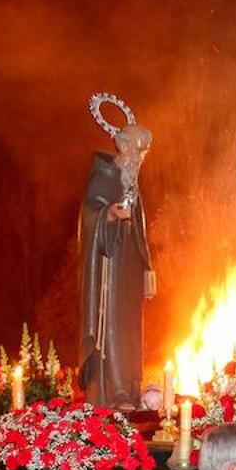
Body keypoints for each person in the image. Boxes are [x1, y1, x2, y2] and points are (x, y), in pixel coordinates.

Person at [77, 111, 156, 409]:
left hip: (129, 269)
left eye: (145, 151)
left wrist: (147, 267)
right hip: (109, 266)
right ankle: (115, 388)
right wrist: (108, 214)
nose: (142, 157)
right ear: (124, 146)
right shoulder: (105, 176)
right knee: (111, 323)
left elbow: (140, 230)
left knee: (130, 327)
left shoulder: (133, 182)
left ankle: (131, 388)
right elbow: (90, 214)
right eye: (139, 149)